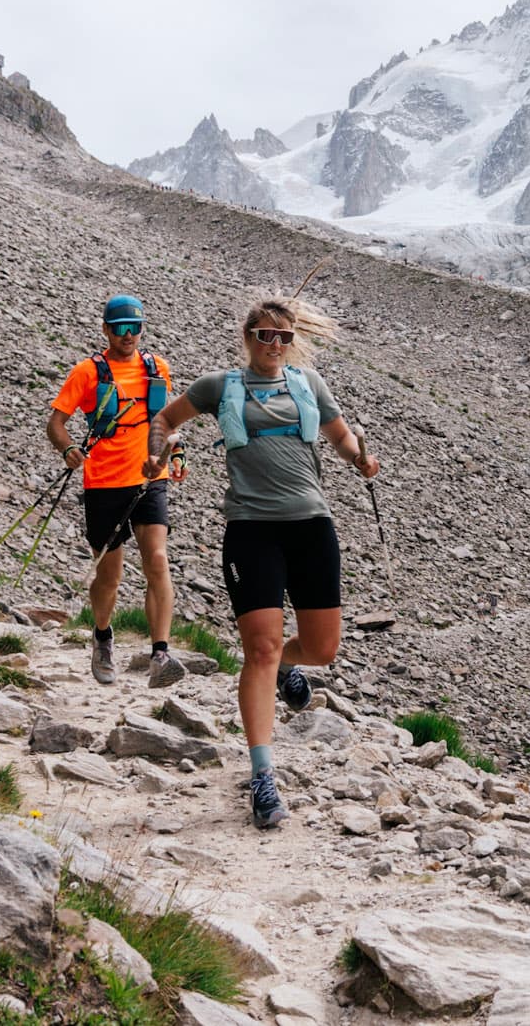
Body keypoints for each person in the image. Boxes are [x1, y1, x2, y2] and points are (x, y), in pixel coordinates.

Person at [143, 299, 378, 829]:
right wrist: (158, 453)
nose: (275, 344)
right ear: (247, 336)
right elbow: (165, 417)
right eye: (265, 334)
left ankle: (289, 667)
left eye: (284, 336)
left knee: (322, 649)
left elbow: (340, 437)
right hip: (250, 529)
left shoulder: (309, 384)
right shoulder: (218, 386)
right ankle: (263, 776)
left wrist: (360, 459)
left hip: (311, 524)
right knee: (261, 648)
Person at [47, 294, 187, 689]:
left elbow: (166, 422)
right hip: (105, 481)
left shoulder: (157, 369)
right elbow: (56, 423)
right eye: (120, 328)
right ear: (106, 329)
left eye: (135, 327)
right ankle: (103, 638)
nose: (129, 335)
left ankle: (161, 654)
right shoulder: (86, 373)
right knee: (110, 575)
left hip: (149, 476)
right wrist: (69, 449)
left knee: (157, 560)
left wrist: (175, 453)